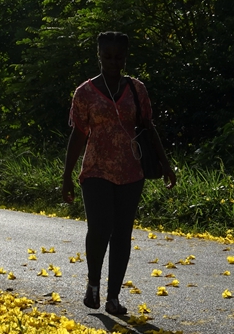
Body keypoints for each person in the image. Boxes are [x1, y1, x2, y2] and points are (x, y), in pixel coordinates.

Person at [62, 31, 176, 315]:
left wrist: (165, 164)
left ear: (125, 58)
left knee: (122, 233)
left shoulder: (137, 89)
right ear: (98, 56)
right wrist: (66, 175)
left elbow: (148, 127)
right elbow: (78, 134)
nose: (113, 62)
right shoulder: (85, 92)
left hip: (131, 170)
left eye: (118, 57)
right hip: (96, 169)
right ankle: (93, 284)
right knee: (100, 228)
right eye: (107, 56)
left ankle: (113, 297)